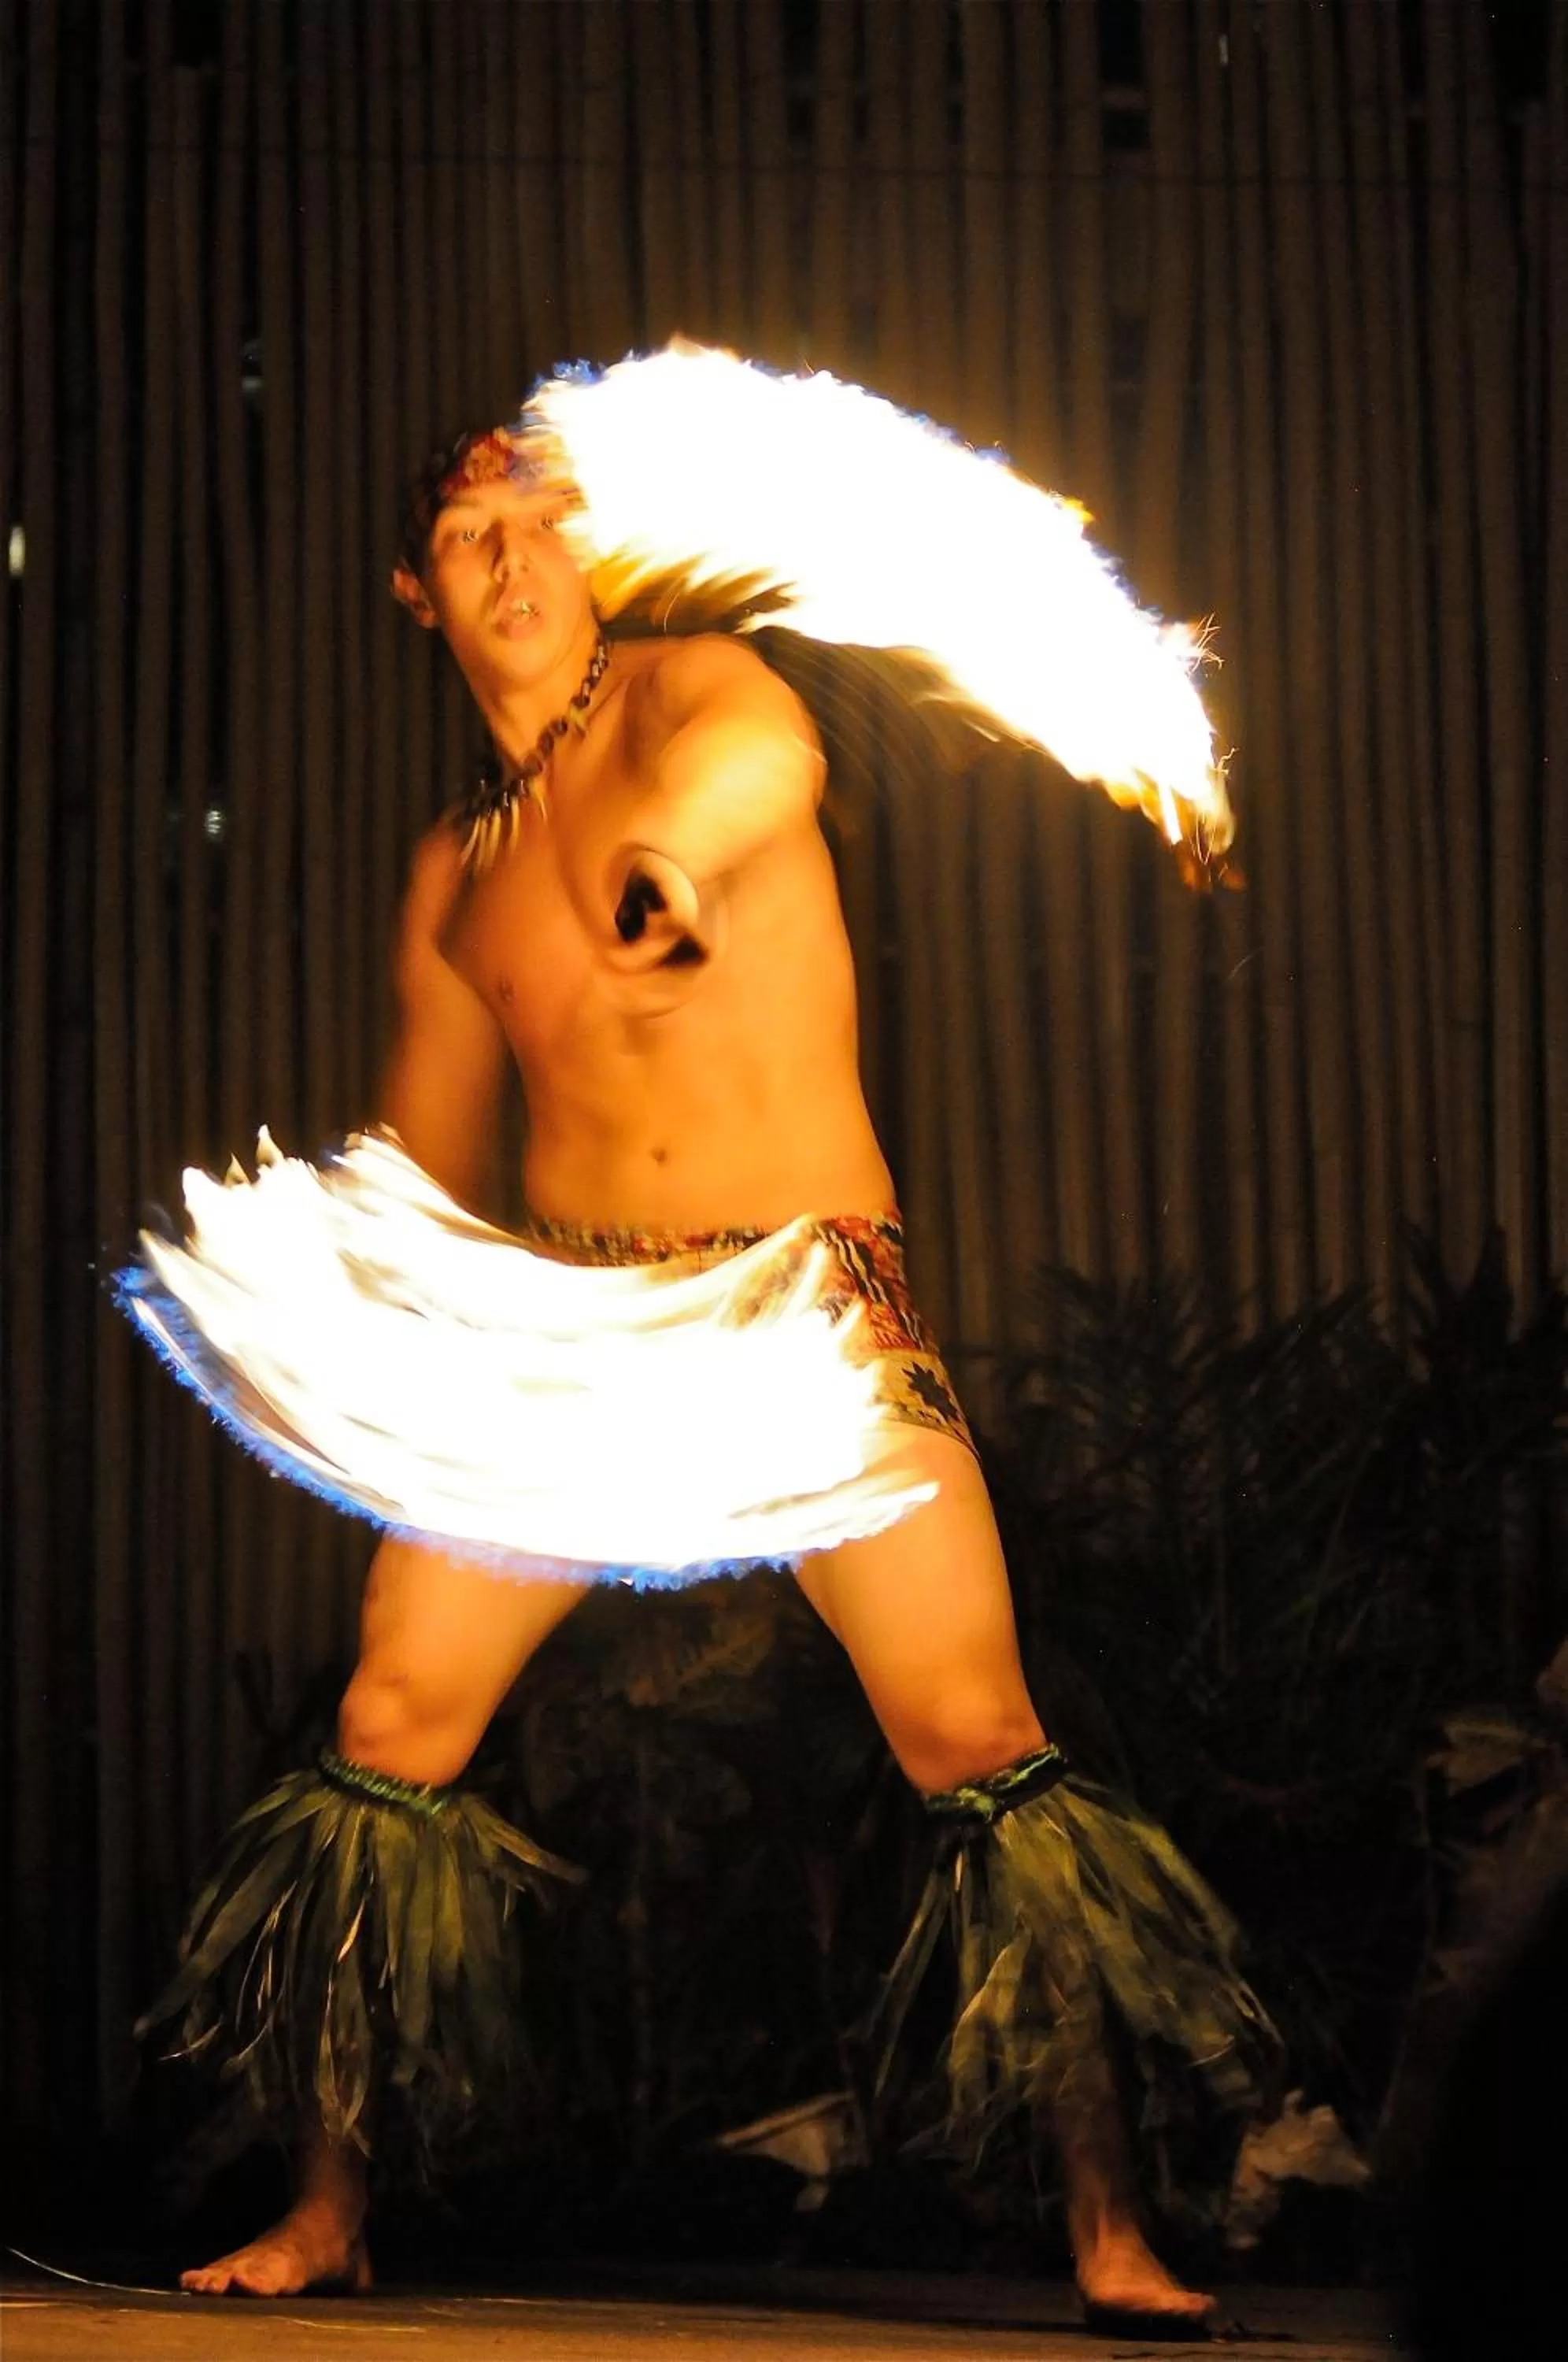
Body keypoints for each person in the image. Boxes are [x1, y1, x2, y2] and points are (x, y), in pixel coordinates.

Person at [148, 421, 1273, 2327]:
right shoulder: (456, 877)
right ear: (418, 591)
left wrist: (668, 860)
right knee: (388, 1722)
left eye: (538, 526)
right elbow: (429, 1158)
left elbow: (767, 771)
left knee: (980, 1739)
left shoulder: (696, 695)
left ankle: (1109, 2227)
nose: (515, 563)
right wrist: (358, 1288)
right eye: (469, 538)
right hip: (580, 1331)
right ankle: (328, 2209)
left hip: (801, 1303)